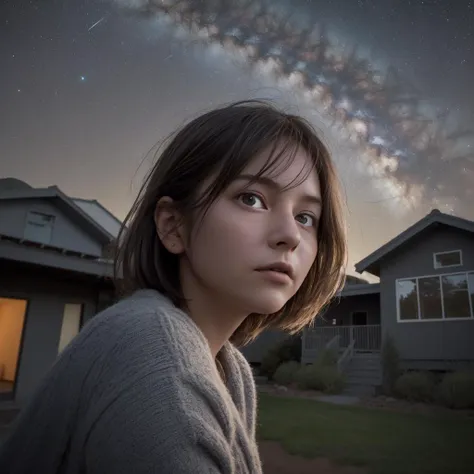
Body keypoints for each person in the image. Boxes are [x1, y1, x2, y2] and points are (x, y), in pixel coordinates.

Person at [0, 100, 347, 473]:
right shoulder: (156, 354)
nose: (290, 235)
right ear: (173, 225)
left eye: (306, 217)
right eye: (252, 199)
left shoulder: (232, 370)